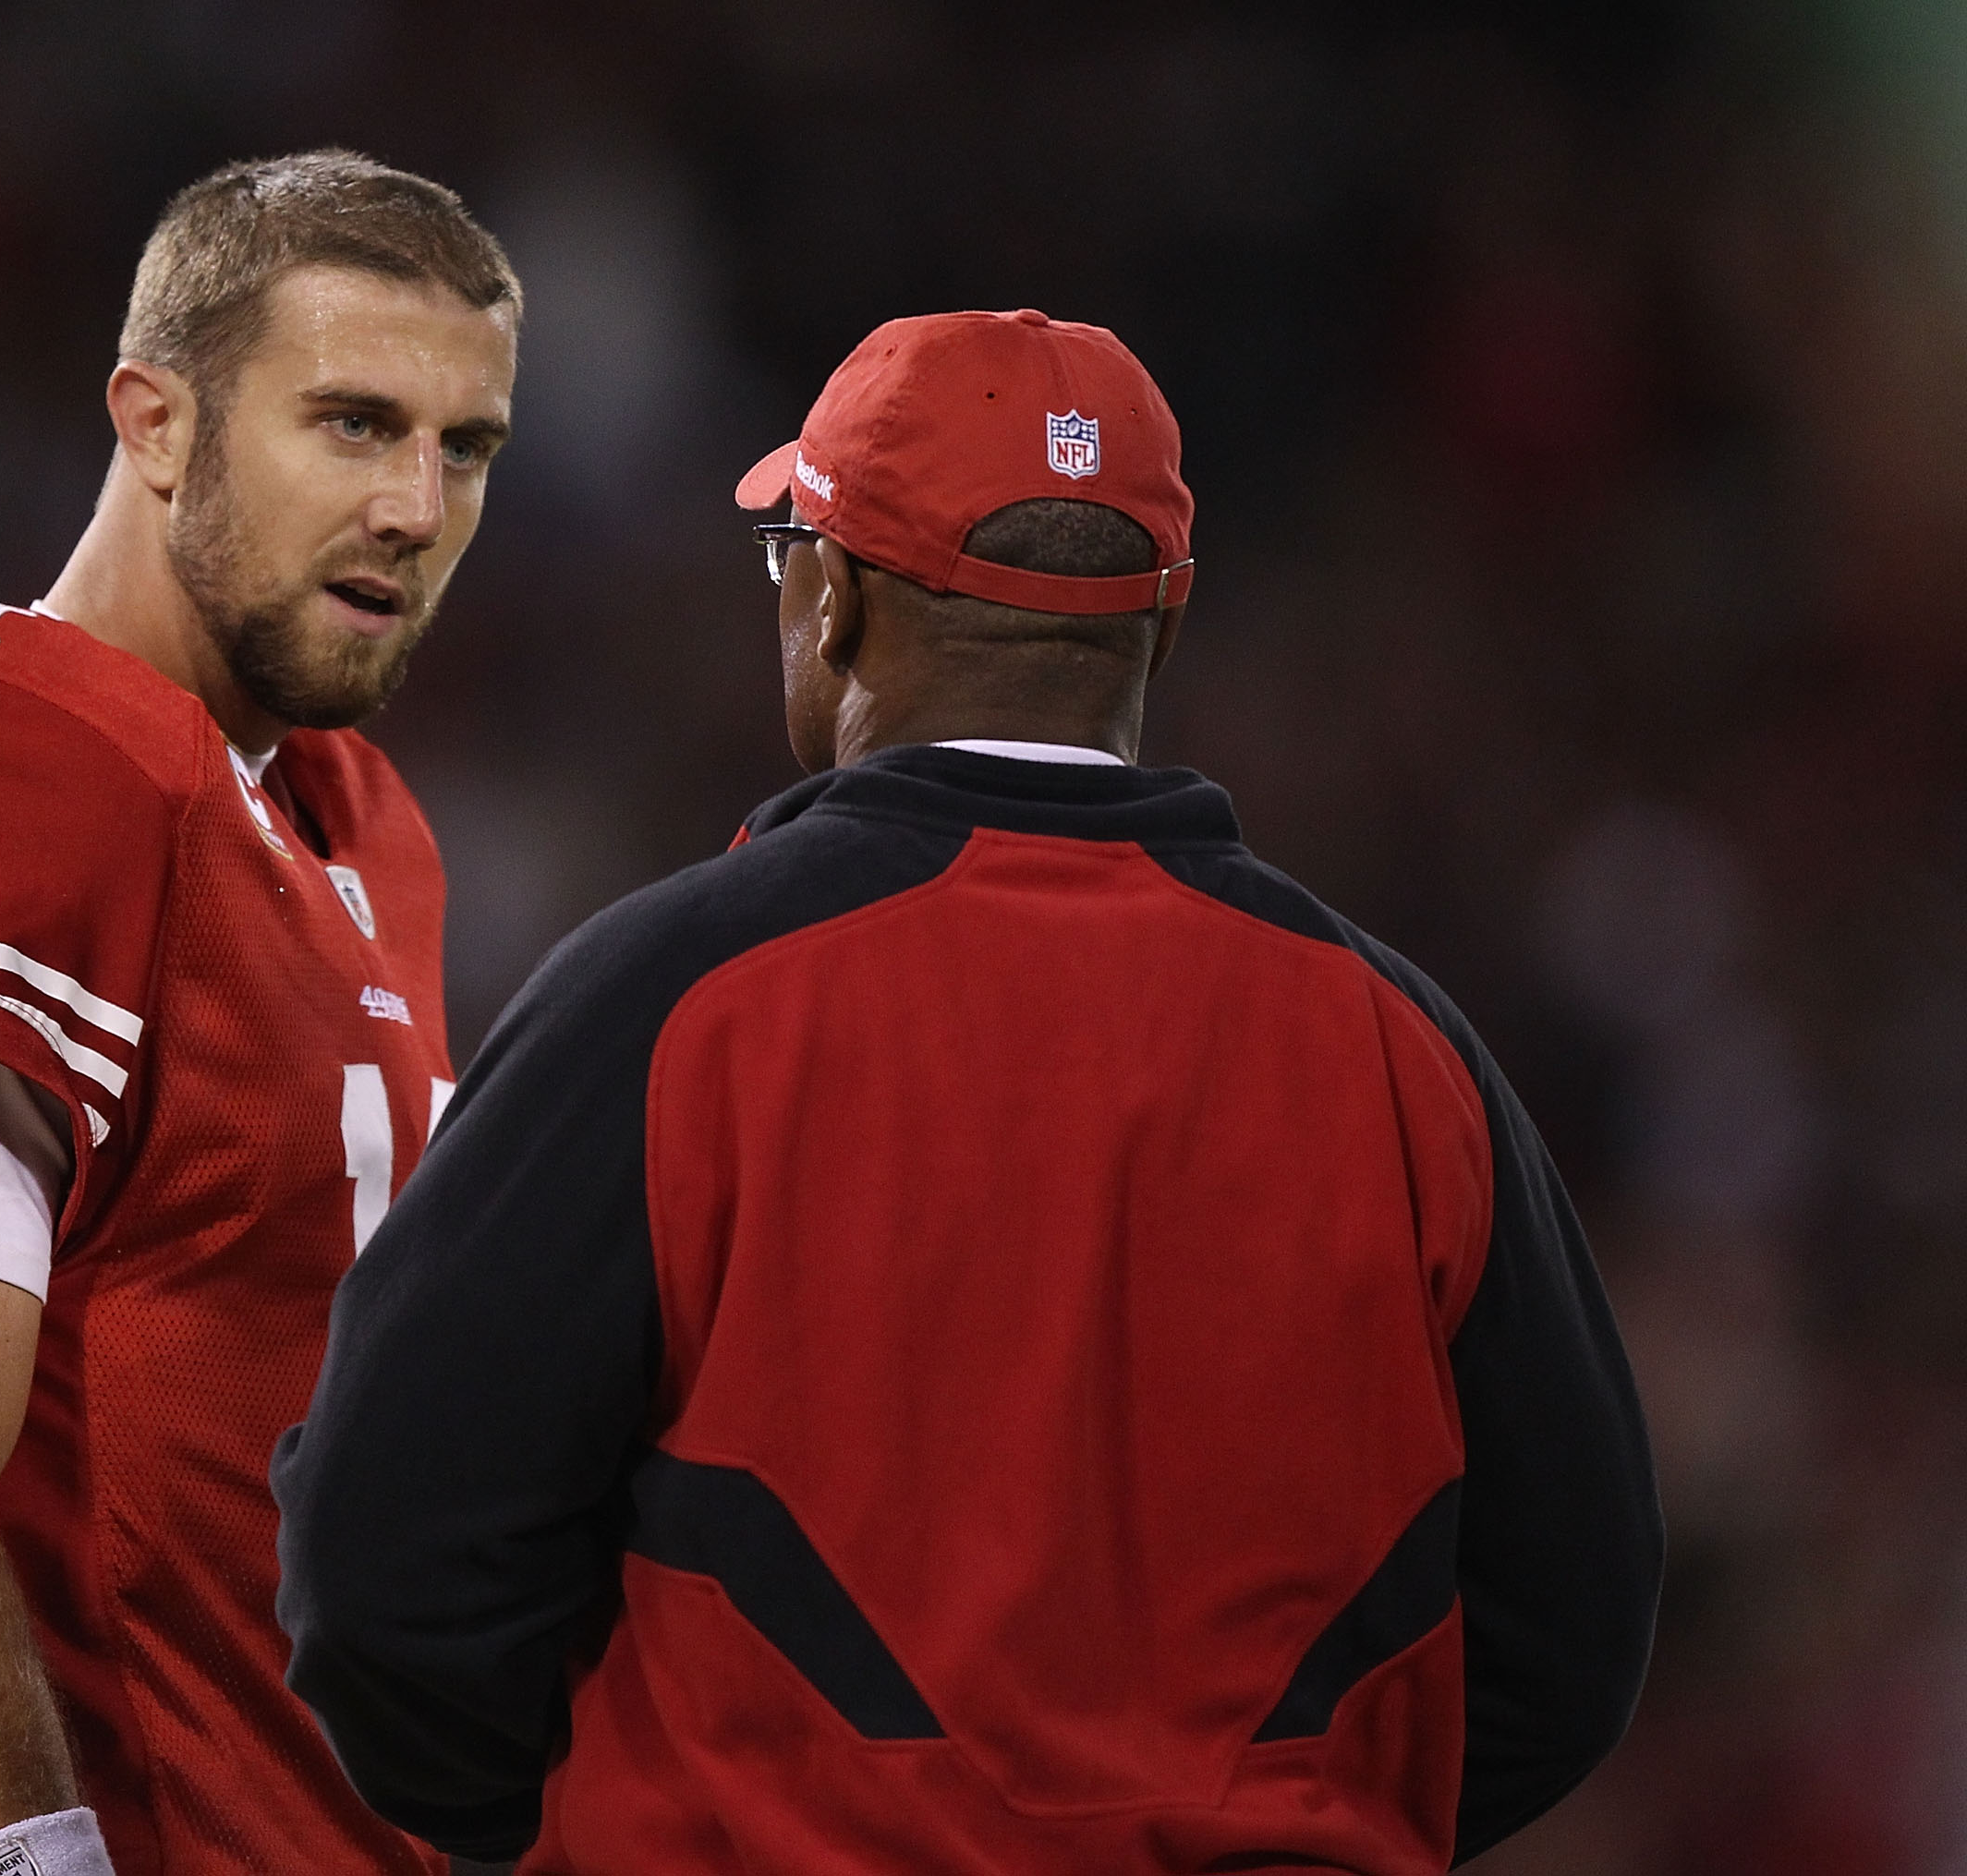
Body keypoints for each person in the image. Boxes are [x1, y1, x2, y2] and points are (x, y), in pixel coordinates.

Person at [271, 309, 1664, 1874]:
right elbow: (1574, 1636)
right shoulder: (1406, 1050)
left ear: (835, 597)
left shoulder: (661, 1006)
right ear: (1165, 627)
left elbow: (386, 1580)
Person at [0, 151, 518, 1876]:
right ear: (157, 421)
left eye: (466, 446)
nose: (417, 508)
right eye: (351, 423)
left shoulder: (354, 823)